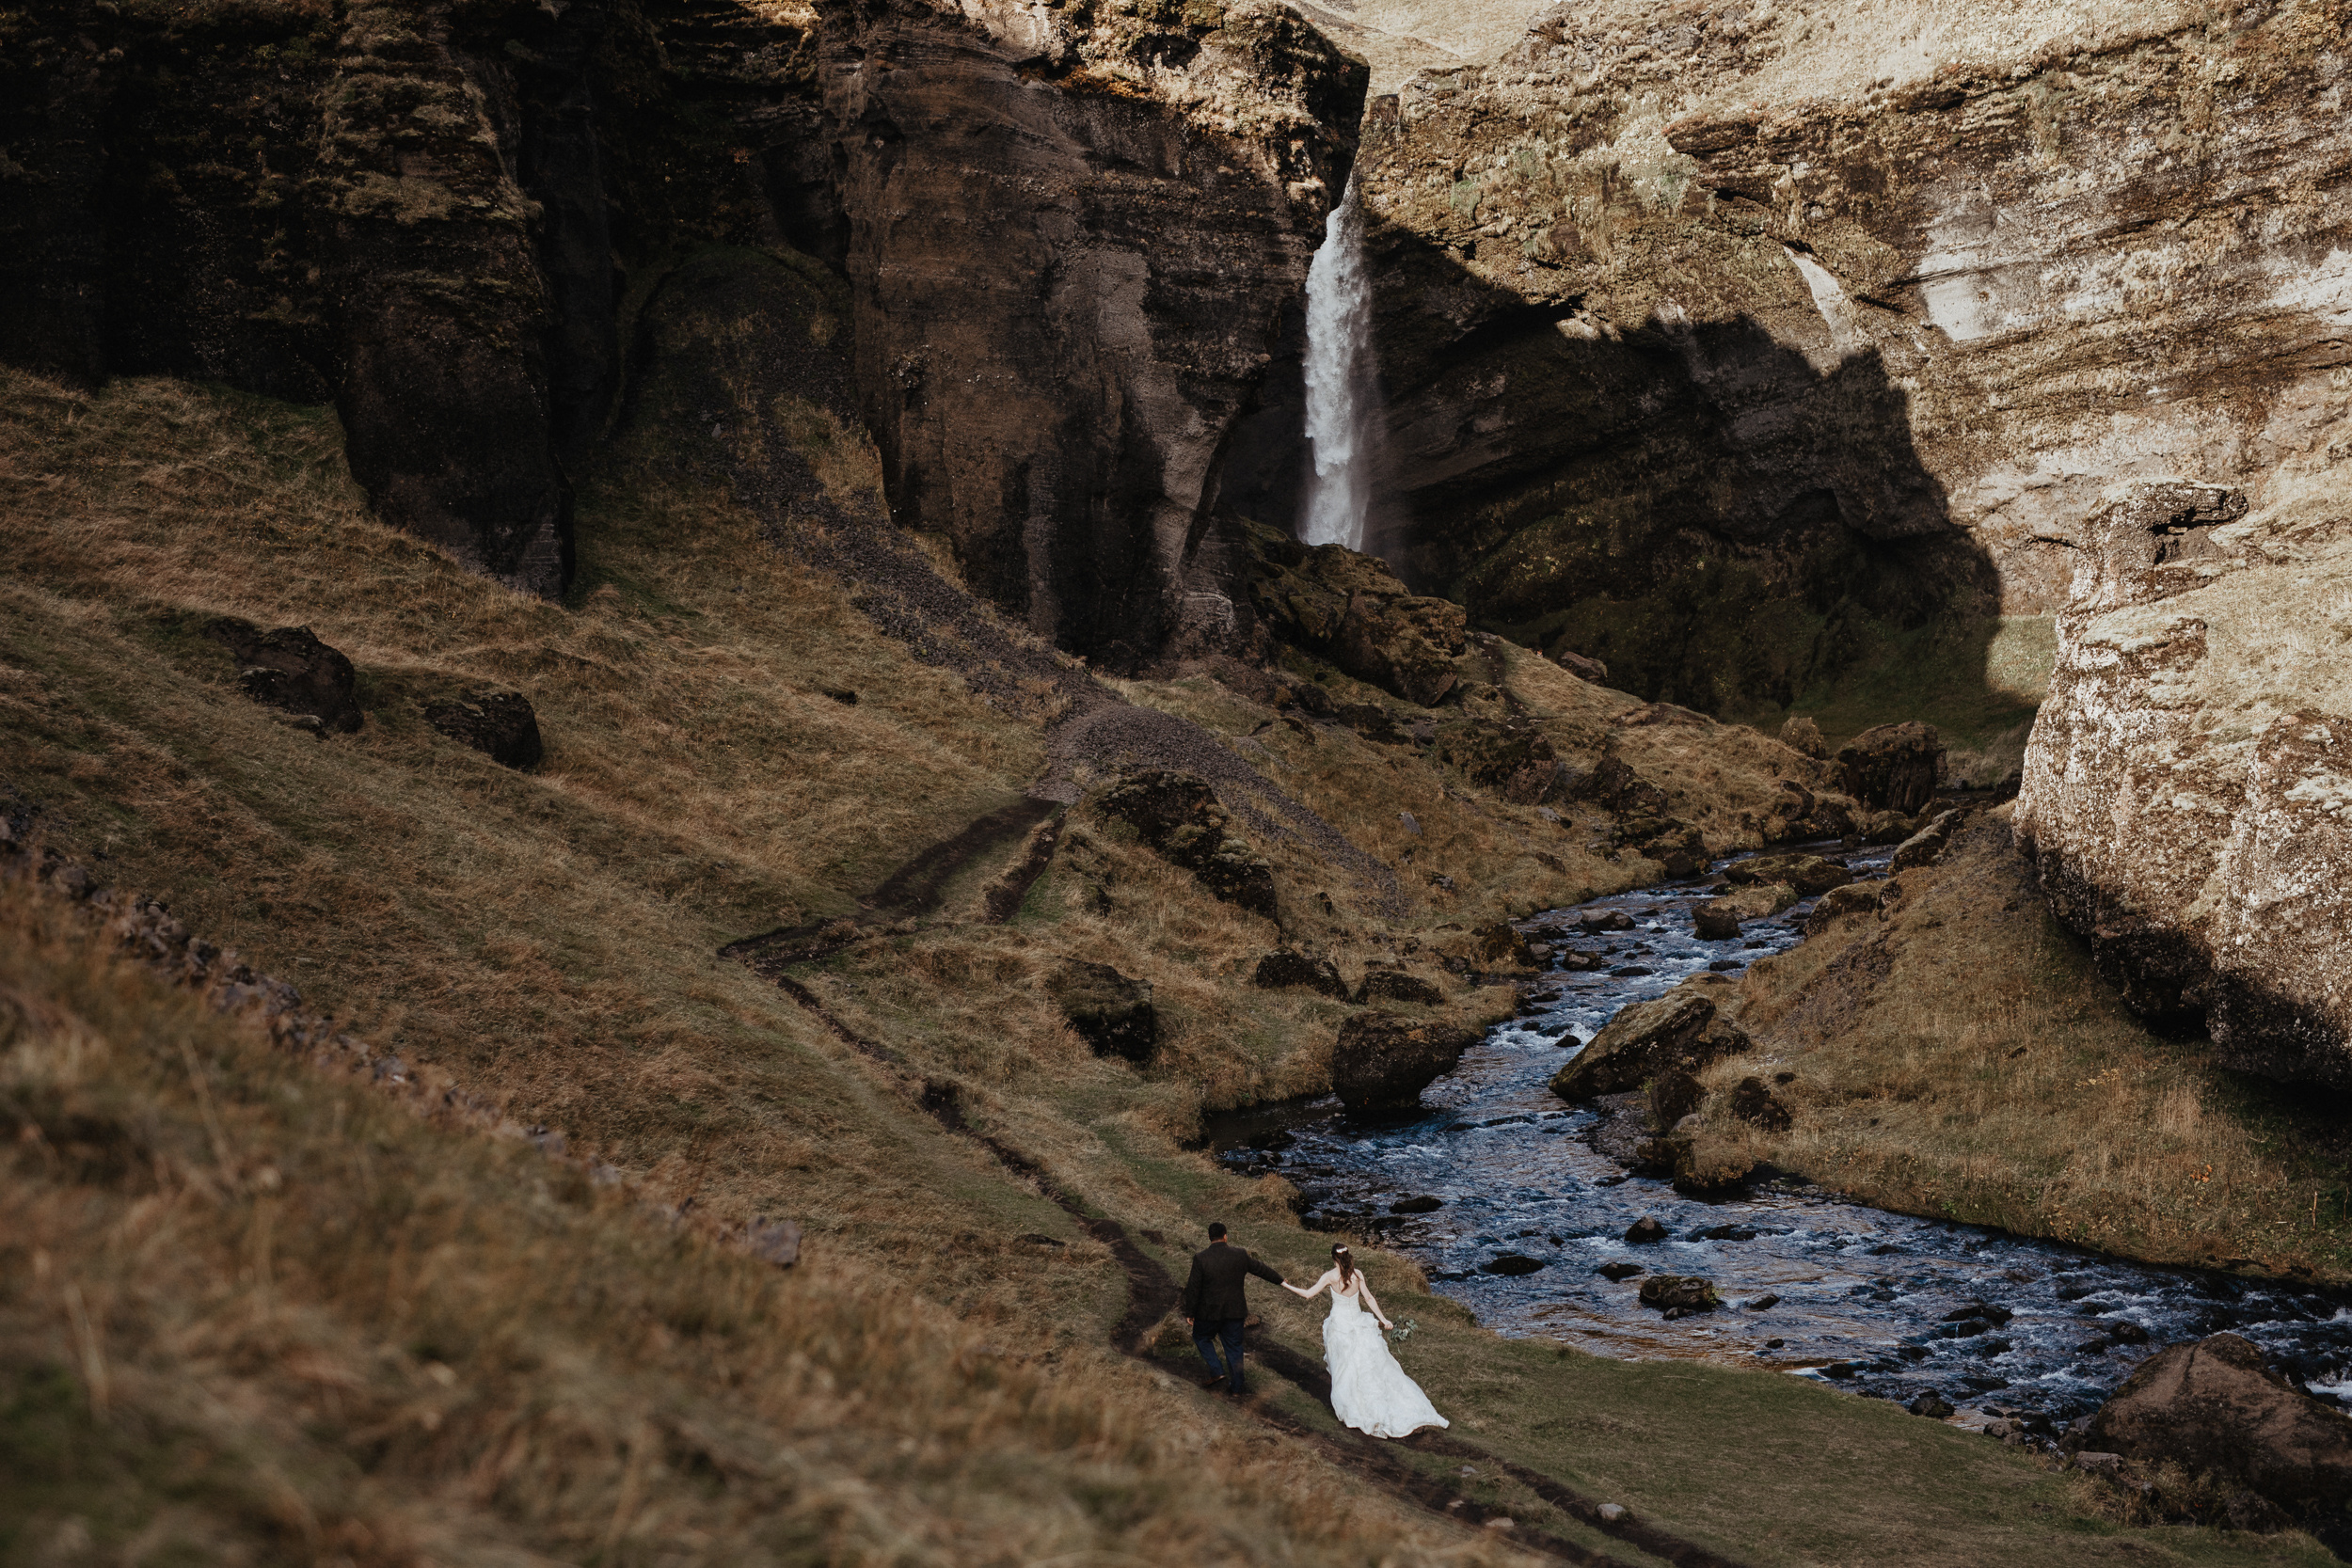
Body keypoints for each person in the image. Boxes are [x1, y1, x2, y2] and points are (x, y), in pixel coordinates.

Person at [1284, 1243, 1447, 1437]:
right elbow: (1369, 1299)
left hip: (1341, 1327)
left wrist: (1285, 1284)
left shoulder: (1329, 1277)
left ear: (1333, 1258)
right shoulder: (1357, 1274)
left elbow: (1308, 1294)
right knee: (1370, 1366)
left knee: (1346, 1368)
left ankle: (1354, 1405)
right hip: (1360, 1323)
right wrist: (1383, 1319)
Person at [1180, 1222, 1287, 1397]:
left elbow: (1193, 1288)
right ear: (1225, 1236)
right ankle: (1236, 1388)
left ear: (1209, 1237)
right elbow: (1261, 1269)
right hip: (1234, 1312)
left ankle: (1217, 1370)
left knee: (1201, 1337)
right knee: (1234, 1347)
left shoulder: (1201, 1258)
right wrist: (1280, 1280)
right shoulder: (1240, 1255)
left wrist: (1190, 1312)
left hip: (1208, 1314)